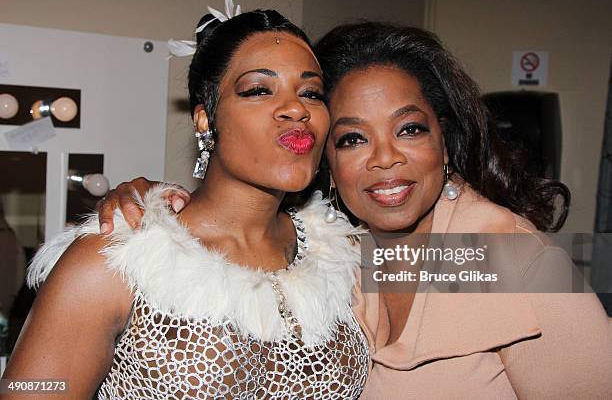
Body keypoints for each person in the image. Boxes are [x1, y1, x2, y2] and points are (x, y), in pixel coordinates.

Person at [98, 23, 612, 398]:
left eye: (409, 128)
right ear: (326, 161)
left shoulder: (519, 265)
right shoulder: (336, 255)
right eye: (352, 138)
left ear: (446, 142)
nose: (385, 157)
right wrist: (152, 204)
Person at [2, 5, 370, 399]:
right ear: (204, 120)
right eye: (259, 89)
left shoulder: (345, 255)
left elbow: (441, 286)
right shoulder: (115, 256)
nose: (297, 108)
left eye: (311, 93)